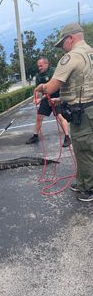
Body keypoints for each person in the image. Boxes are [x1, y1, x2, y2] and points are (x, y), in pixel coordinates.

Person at [34, 22, 93, 202]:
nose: (62, 49)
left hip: (82, 113)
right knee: (88, 148)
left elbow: (51, 87)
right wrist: (62, 99)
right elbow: (83, 85)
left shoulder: (72, 57)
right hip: (89, 107)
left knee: (83, 151)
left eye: (62, 44)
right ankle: (82, 182)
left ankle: (88, 188)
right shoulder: (90, 53)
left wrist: (41, 88)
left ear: (71, 38)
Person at [26, 57, 71, 147]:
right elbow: (38, 90)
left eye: (41, 66)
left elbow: (54, 87)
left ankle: (67, 137)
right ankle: (35, 136)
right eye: (38, 66)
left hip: (56, 98)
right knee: (39, 117)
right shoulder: (38, 76)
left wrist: (43, 98)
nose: (39, 68)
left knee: (60, 117)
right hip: (46, 99)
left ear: (47, 64)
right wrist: (36, 99)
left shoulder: (54, 72)